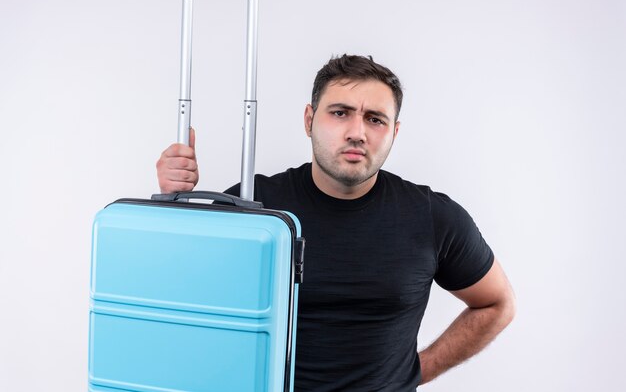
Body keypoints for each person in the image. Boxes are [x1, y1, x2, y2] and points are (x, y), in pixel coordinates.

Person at [156, 54, 516, 391]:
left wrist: (414, 372)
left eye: (375, 119)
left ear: (394, 132)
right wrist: (173, 203)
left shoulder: (433, 216)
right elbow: (179, 295)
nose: (357, 132)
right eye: (340, 113)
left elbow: (497, 304)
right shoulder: (253, 206)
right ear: (310, 120)